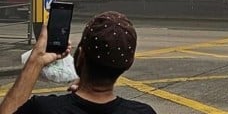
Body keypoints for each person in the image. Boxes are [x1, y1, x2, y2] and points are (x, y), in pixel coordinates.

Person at [0, 11, 156, 114]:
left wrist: (36, 60)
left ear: (80, 56)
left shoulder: (43, 109)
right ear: (128, 63)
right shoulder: (143, 112)